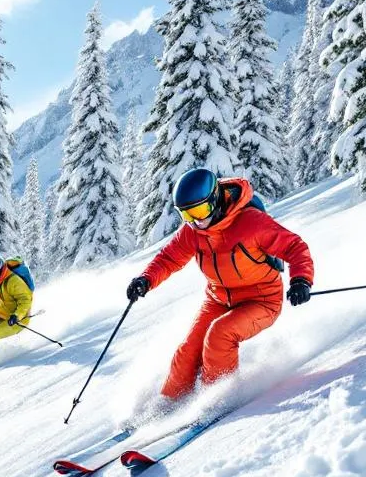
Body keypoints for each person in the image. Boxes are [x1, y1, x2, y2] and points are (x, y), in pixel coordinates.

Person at [126, 168, 314, 400]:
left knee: (219, 335)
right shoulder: (193, 232)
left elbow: (295, 248)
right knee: (188, 350)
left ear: (215, 199)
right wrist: (145, 280)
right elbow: (169, 259)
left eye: (200, 210)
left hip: (261, 300)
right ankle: (171, 402)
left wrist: (301, 280)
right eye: (187, 214)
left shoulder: (251, 223)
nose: (196, 220)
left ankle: (215, 399)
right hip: (218, 299)